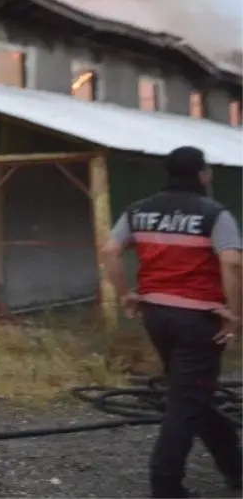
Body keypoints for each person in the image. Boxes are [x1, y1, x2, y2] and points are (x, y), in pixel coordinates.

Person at [102, 145, 243, 499]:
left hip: (156, 315)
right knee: (185, 401)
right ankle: (165, 485)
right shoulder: (214, 213)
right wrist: (235, 313)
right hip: (199, 318)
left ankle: (235, 467)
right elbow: (232, 263)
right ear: (202, 174)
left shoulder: (138, 210)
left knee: (194, 393)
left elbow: (110, 251)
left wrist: (125, 294)